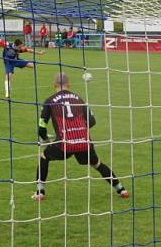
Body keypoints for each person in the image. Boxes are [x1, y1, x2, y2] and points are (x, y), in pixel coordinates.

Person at [33, 72, 129, 201]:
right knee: (97, 164)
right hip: (83, 140)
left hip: (64, 143)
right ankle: (121, 189)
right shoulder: (78, 98)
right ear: (69, 84)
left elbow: (41, 127)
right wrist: (79, 129)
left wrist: (45, 140)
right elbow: (92, 121)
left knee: (44, 157)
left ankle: (40, 192)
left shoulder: (49, 101)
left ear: (54, 84)